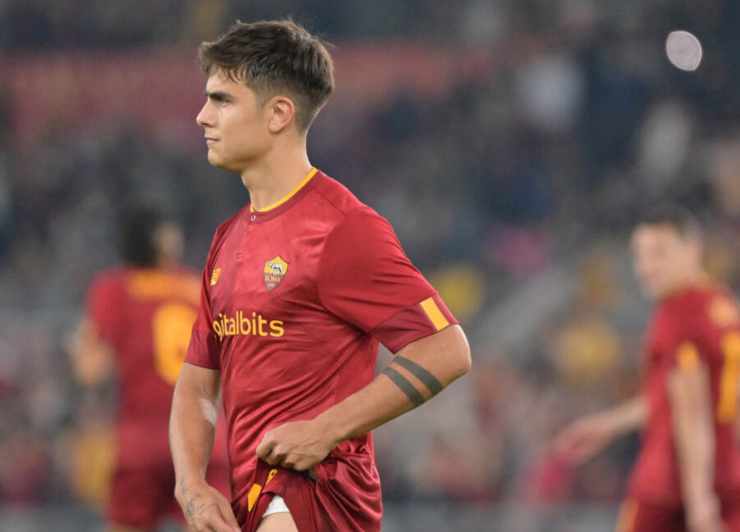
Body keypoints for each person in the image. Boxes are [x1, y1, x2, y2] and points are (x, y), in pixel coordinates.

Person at [169, 19, 472, 532]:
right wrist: (191, 485)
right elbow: (197, 382)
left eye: (221, 100)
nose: (202, 116)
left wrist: (324, 430)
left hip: (317, 492)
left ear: (279, 114)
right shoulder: (228, 238)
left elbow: (446, 348)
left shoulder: (341, 228)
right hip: (252, 496)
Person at [555, 204, 740, 532]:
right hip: (727, 477)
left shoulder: (678, 315)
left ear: (691, 249)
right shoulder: (723, 307)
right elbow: (677, 397)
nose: (645, 267)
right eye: (639, 255)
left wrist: (699, 499)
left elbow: (692, 412)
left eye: (659, 253)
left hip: (670, 486)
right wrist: (609, 425)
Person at [70, 205, 229, 532]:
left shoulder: (116, 289)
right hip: (203, 438)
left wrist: (79, 346)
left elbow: (91, 371)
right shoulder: (196, 287)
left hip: (141, 441)